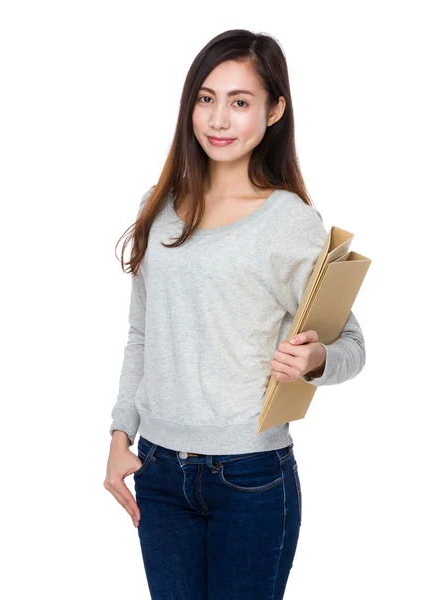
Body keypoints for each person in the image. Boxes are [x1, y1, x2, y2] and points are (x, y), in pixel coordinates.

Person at [104, 28, 366, 600]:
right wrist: (121, 433)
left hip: (250, 478)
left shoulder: (289, 222)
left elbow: (351, 343)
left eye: (240, 102)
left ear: (274, 111)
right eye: (206, 98)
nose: (218, 119)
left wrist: (316, 358)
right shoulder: (160, 207)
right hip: (159, 474)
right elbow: (142, 333)